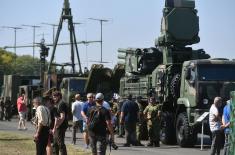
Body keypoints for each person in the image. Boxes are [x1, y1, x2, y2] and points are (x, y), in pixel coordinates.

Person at [52, 91, 68, 155]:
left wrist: (57, 126)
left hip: (61, 126)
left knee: (60, 143)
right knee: (55, 143)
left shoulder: (61, 104)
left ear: (59, 96)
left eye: (55, 97)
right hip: (59, 125)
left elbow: (62, 117)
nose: (54, 98)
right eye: (53, 97)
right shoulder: (59, 103)